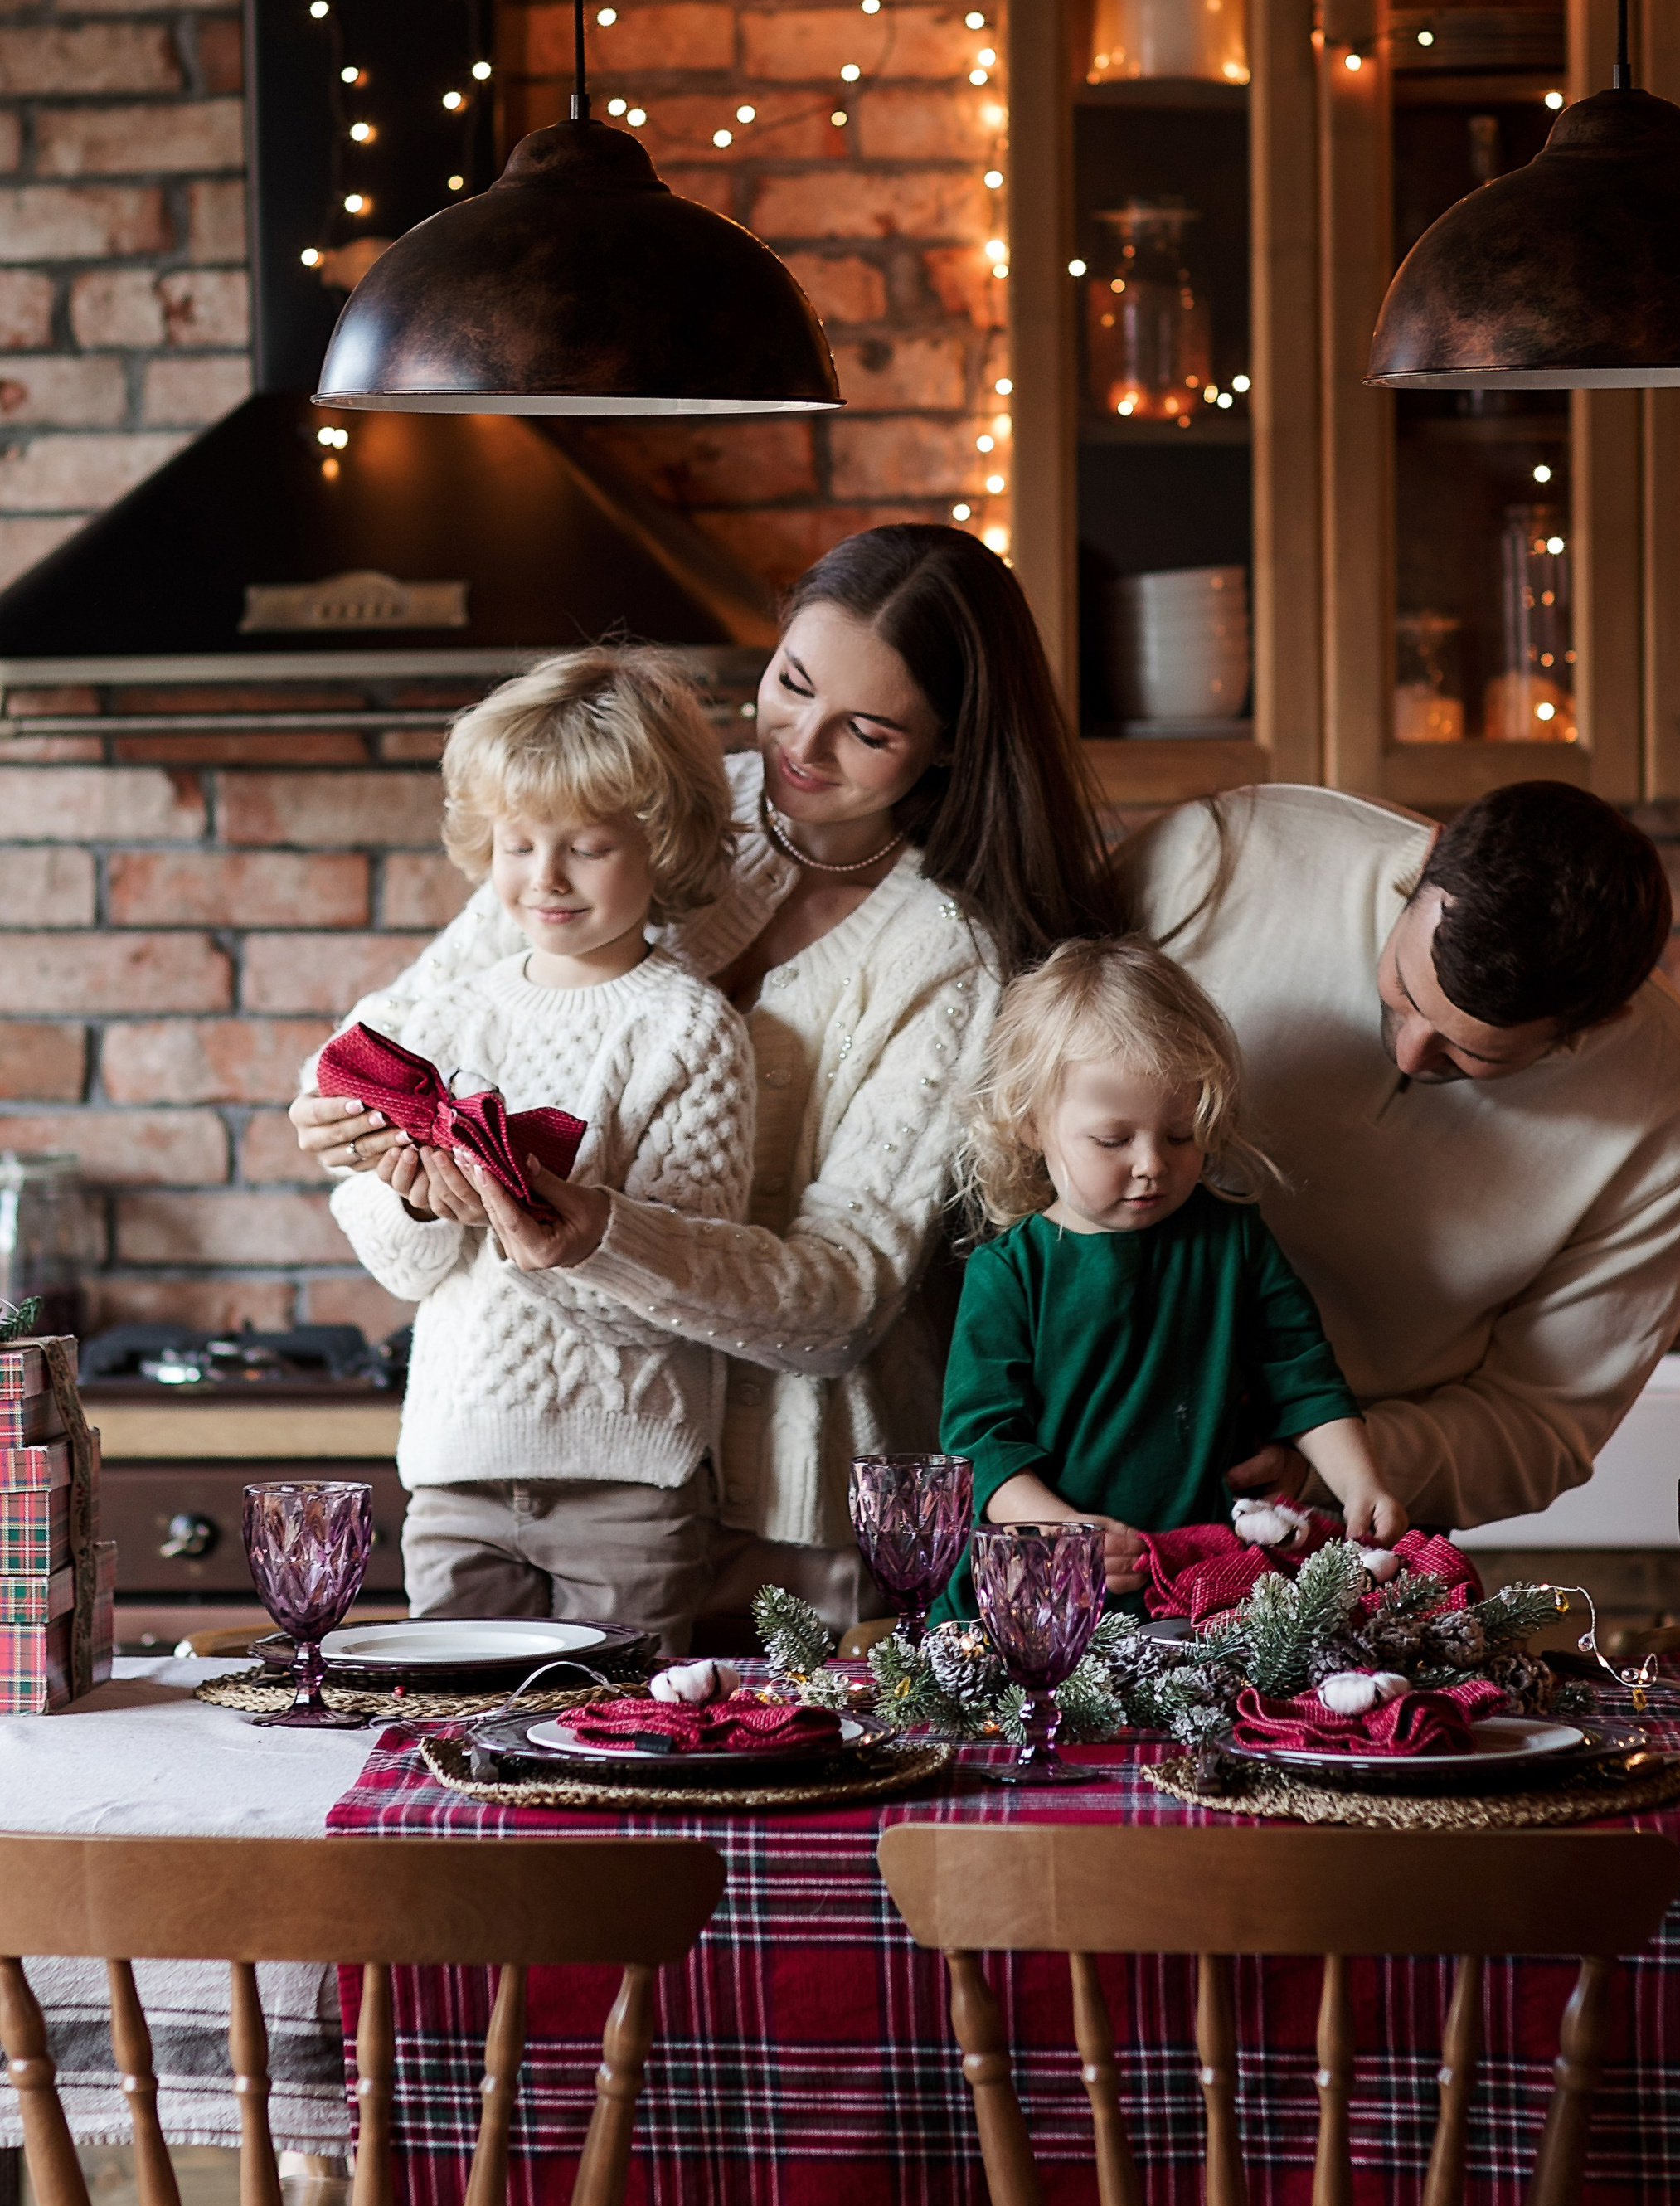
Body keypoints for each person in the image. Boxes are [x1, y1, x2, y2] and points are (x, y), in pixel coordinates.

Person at [291, 526, 1120, 1633]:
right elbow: (393, 1049)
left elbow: (845, 1297)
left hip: (789, 1508)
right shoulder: (632, 801)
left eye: (868, 731)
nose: (804, 746)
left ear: (949, 749)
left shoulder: (945, 956)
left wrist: (605, 1233)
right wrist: (367, 1141)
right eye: (791, 684)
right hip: (534, 1446)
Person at [1119, 776, 1680, 1535]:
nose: (1413, 1053)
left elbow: (1536, 1422)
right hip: (1074, 1421)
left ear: (1596, 1022)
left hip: (1325, 1534)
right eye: (1404, 988)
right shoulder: (1230, 853)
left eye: (1471, 1051)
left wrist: (1329, 1462)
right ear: (1433, 855)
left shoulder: (1677, 1128)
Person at [323, 648, 752, 1650]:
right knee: (461, 1758)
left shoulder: (688, 1031)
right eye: (517, 844)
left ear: (663, 844)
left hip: (628, 1486)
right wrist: (421, 1203)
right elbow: (401, 1265)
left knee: (613, 1756)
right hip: (455, 1469)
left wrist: (548, 1225)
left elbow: (671, 1295)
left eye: (587, 847)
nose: (544, 877)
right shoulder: (445, 1012)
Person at [938, 937, 1404, 1607]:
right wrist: (1062, 1531)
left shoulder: (1233, 1240)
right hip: (1045, 1587)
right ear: (1031, 1122)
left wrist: (1361, 1483)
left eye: (1180, 1133)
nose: (1152, 1162)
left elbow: (1302, 1375)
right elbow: (982, 1446)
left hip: (1204, 1583)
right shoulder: (1008, 1273)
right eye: (1113, 1138)